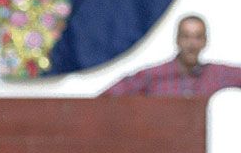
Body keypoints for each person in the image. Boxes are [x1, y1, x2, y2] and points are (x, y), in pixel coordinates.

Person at [102, 15, 241, 97]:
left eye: (197, 37)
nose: (191, 44)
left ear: (205, 41)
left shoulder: (217, 74)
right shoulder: (154, 75)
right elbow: (108, 96)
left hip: (203, 143)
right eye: (186, 37)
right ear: (177, 40)